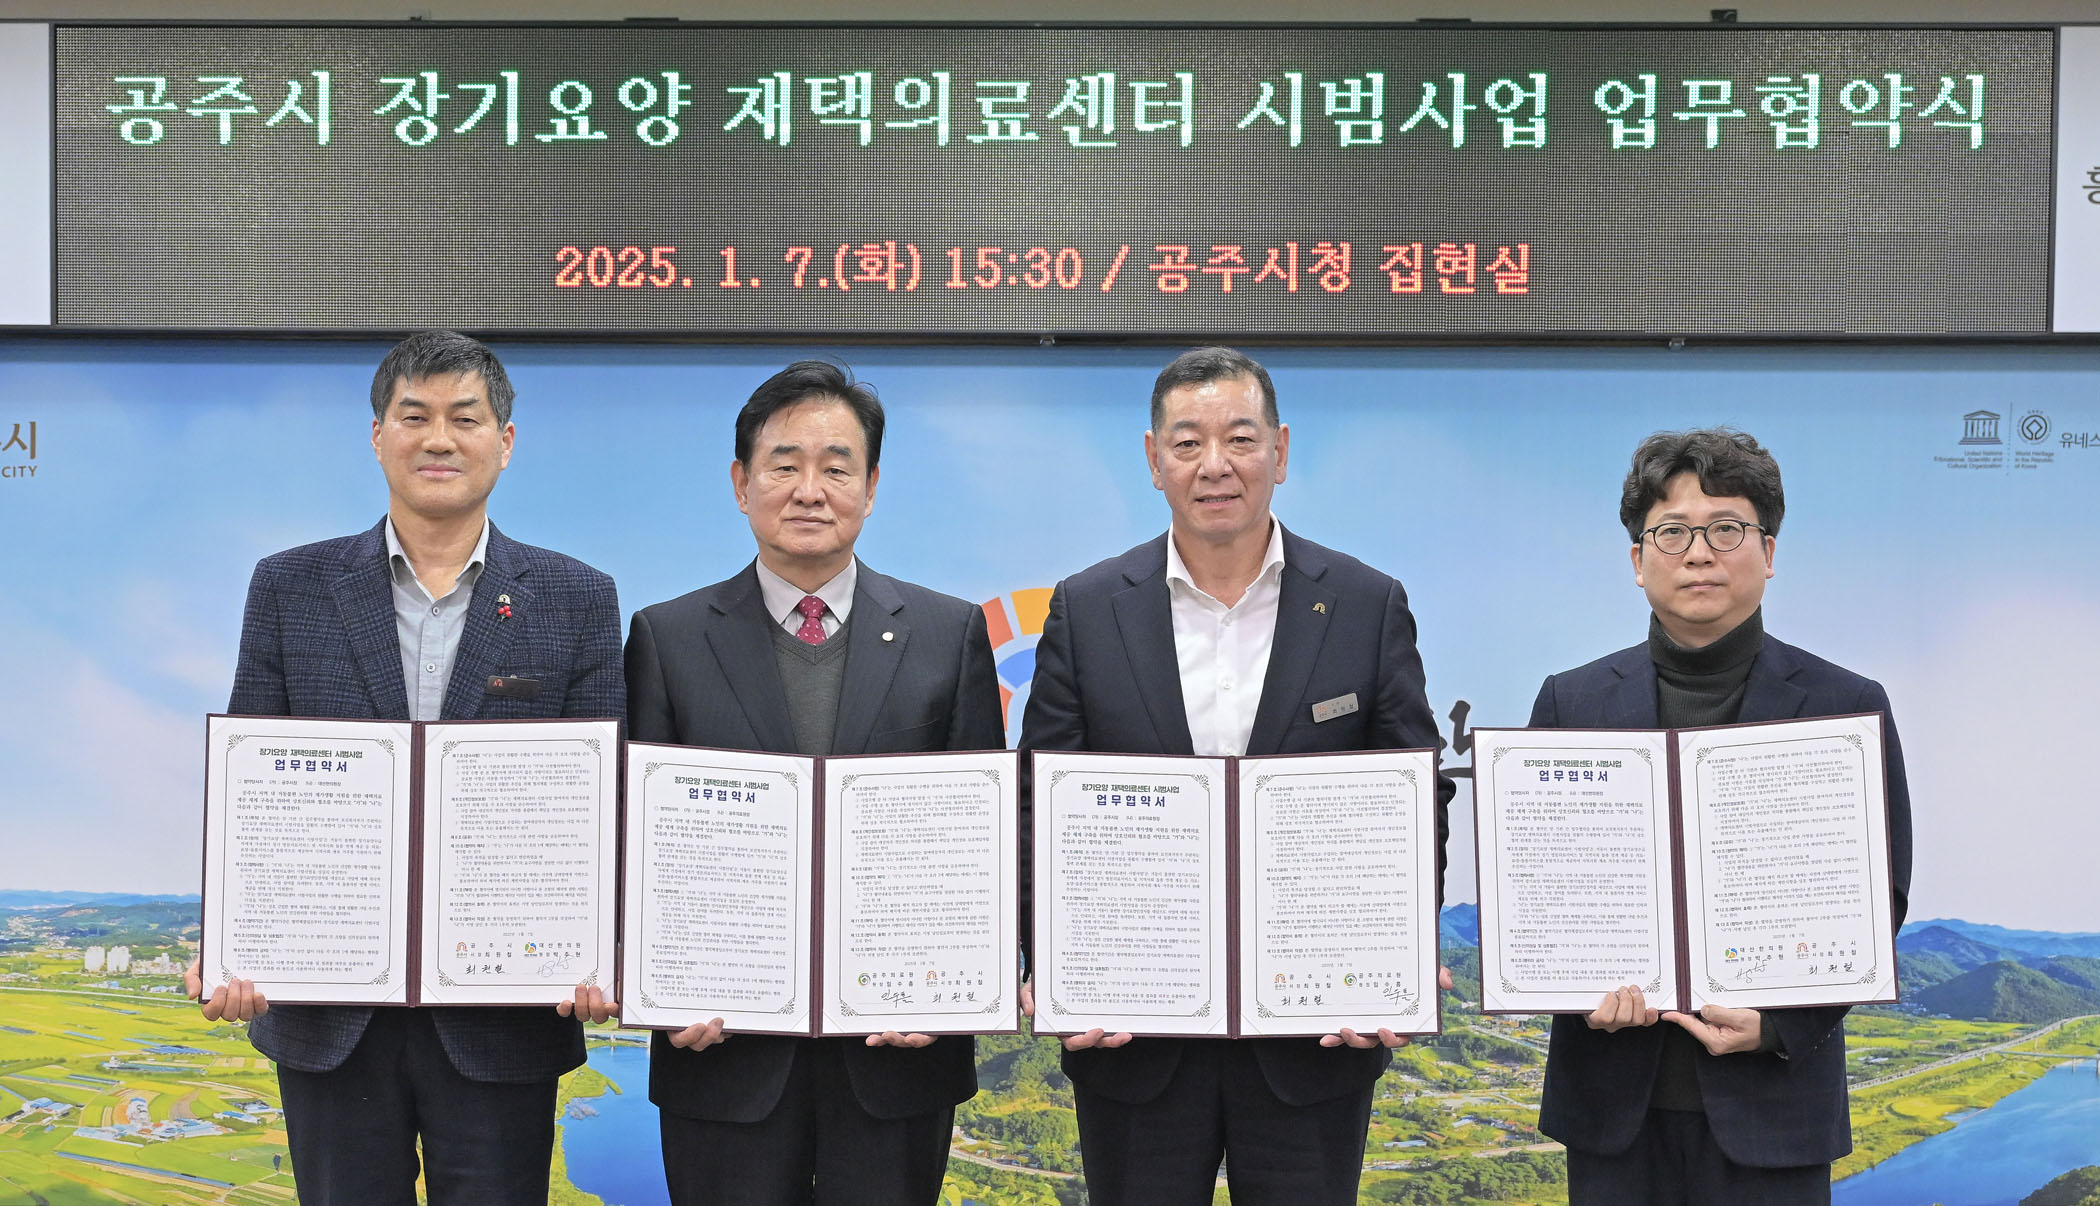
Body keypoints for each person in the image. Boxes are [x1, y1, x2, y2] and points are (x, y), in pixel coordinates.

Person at [185, 329, 624, 1204]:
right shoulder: (290, 587)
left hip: (504, 1016)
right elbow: (251, 789)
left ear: (505, 440)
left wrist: (604, 945)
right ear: (378, 435)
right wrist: (231, 938)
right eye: (414, 416)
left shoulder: (577, 597)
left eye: (466, 418)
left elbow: (600, 806)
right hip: (329, 1014)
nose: (439, 439)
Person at [1017, 346, 1454, 1206]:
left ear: (1280, 452)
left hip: (1316, 1037)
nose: (1214, 464)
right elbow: (1039, 802)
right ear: (1154, 461)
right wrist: (1052, 963)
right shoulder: (1088, 608)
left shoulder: (1366, 604)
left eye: (1240, 439)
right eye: (1187, 443)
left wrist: (1397, 955)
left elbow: (1415, 792)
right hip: (1132, 1034)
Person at [624, 360, 1004, 1206]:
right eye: (784, 465)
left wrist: (957, 991)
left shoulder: (947, 634)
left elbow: (985, 844)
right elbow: (636, 845)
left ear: (871, 487)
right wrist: (659, 986)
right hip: (722, 1052)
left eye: (836, 467)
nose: (809, 490)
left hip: (898, 1053)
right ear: (740, 483)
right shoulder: (667, 637)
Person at [1530, 427, 1914, 1205]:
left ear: (1767, 552)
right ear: (1638, 560)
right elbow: (1541, 886)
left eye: (1726, 530)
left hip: (1775, 1109)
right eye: (1672, 532)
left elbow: (1882, 895)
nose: (1699, 554)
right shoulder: (1572, 701)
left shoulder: (1843, 704)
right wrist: (1575, 989)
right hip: (1612, 1110)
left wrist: (1780, 1022)